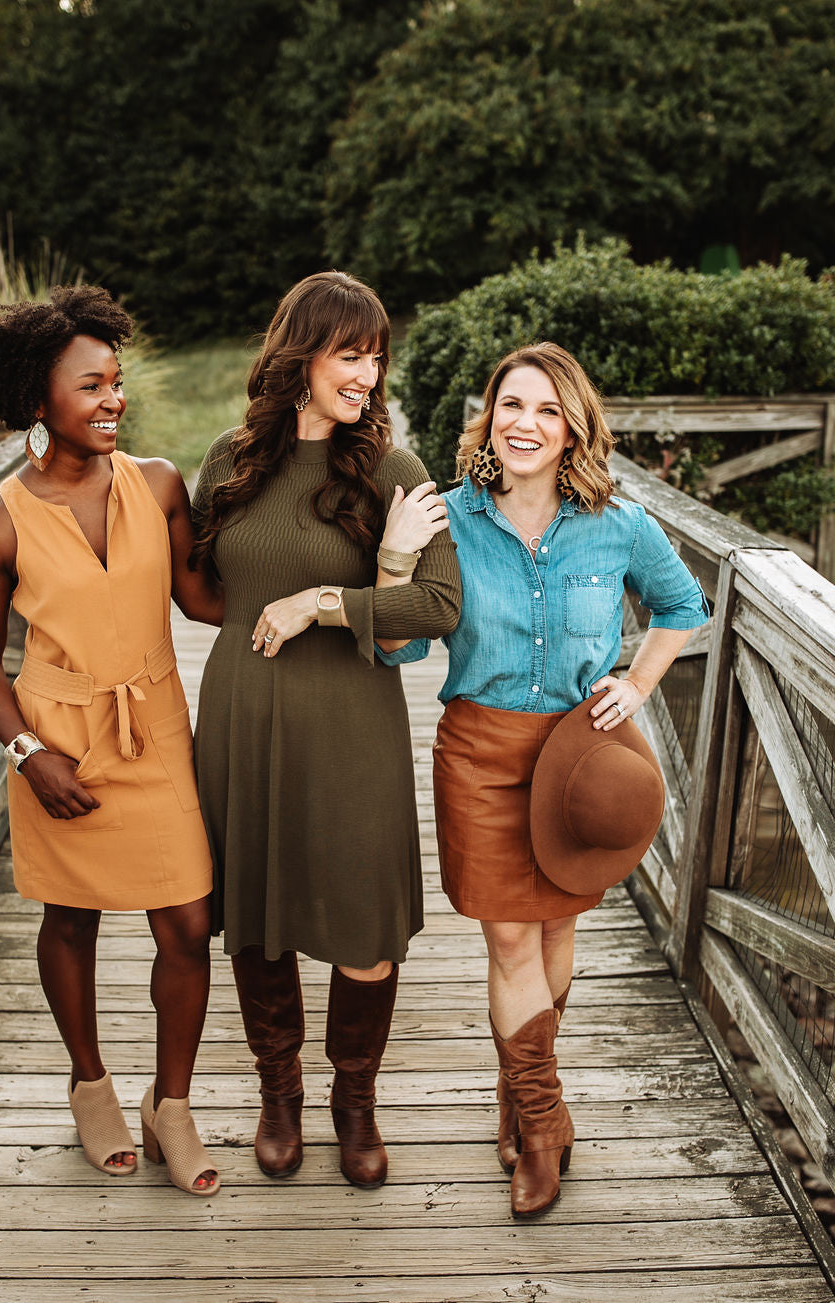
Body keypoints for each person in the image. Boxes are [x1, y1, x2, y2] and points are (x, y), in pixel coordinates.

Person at [377, 341, 708, 1216]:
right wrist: (394, 562)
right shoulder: (449, 518)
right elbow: (397, 644)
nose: (526, 423)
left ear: (573, 431)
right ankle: (543, 1120)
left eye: (548, 411)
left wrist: (636, 681)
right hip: (479, 753)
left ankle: (522, 1097)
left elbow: (684, 606)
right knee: (511, 939)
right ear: (489, 419)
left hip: (579, 757)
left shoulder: (619, 523)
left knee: (557, 927)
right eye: (512, 405)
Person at [190, 270, 461, 1189]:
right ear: (298, 353)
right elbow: (199, 586)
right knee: (257, 919)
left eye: (377, 354)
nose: (369, 372)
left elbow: (436, 603)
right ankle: (279, 1096)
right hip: (242, 713)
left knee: (363, 922)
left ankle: (355, 1102)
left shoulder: (394, 471)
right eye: (351, 352)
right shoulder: (228, 460)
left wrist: (324, 601)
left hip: (352, 719)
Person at [0, 285, 223, 1196]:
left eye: (118, 382)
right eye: (91, 386)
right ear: (39, 399)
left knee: (189, 923)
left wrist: (324, 582)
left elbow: (205, 600)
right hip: (57, 738)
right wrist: (30, 756)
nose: (114, 399)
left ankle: (172, 1103)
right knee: (69, 916)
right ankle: (89, 1082)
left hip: (155, 728)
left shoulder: (157, 483)